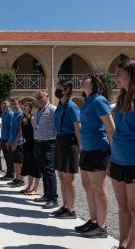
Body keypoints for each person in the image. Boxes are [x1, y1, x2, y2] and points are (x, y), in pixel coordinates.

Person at [109, 58, 135, 249]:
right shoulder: (123, 99)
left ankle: (134, 246)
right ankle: (123, 244)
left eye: (118, 74)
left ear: (133, 76)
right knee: (123, 208)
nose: (114, 77)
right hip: (118, 162)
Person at [77, 71, 114, 238]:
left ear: (94, 82)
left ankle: (102, 226)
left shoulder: (99, 100)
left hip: (98, 150)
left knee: (99, 189)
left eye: (85, 78)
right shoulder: (88, 100)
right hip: (87, 149)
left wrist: (114, 154)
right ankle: (93, 221)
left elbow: (110, 128)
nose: (81, 80)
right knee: (87, 186)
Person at [52, 80, 81, 219]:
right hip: (60, 140)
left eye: (60, 88)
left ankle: (72, 209)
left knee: (69, 178)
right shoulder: (61, 105)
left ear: (68, 90)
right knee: (62, 176)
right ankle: (65, 206)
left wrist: (81, 147)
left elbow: (77, 128)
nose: (57, 91)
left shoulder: (72, 106)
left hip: (70, 142)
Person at [32, 90, 58, 209]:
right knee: (43, 170)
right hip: (38, 143)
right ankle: (47, 194)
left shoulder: (53, 109)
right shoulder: (37, 111)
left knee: (49, 170)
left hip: (49, 143)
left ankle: (53, 198)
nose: (39, 99)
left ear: (47, 96)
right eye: (37, 98)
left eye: (41, 97)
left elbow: (56, 127)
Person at [19, 101, 41, 195]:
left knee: (35, 166)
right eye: (24, 106)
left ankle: (36, 188)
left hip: (33, 144)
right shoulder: (24, 118)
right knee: (28, 165)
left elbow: (36, 131)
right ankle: (29, 186)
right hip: (26, 144)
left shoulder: (32, 118)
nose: (24, 108)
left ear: (31, 108)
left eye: (26, 106)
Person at [8, 99, 25, 188]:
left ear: (19, 105)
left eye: (16, 104)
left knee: (19, 162)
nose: (14, 105)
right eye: (13, 104)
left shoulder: (21, 114)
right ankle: (17, 178)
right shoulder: (14, 115)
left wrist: (15, 142)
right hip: (13, 141)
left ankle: (21, 180)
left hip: (19, 142)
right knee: (15, 162)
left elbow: (21, 130)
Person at [0, 99, 14, 181]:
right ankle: (8, 173)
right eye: (2, 104)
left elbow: (12, 129)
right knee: (6, 157)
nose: (3, 105)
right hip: (3, 138)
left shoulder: (11, 114)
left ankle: (11, 174)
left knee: (10, 157)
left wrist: (9, 140)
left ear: (9, 105)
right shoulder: (3, 114)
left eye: (5, 103)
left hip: (8, 139)